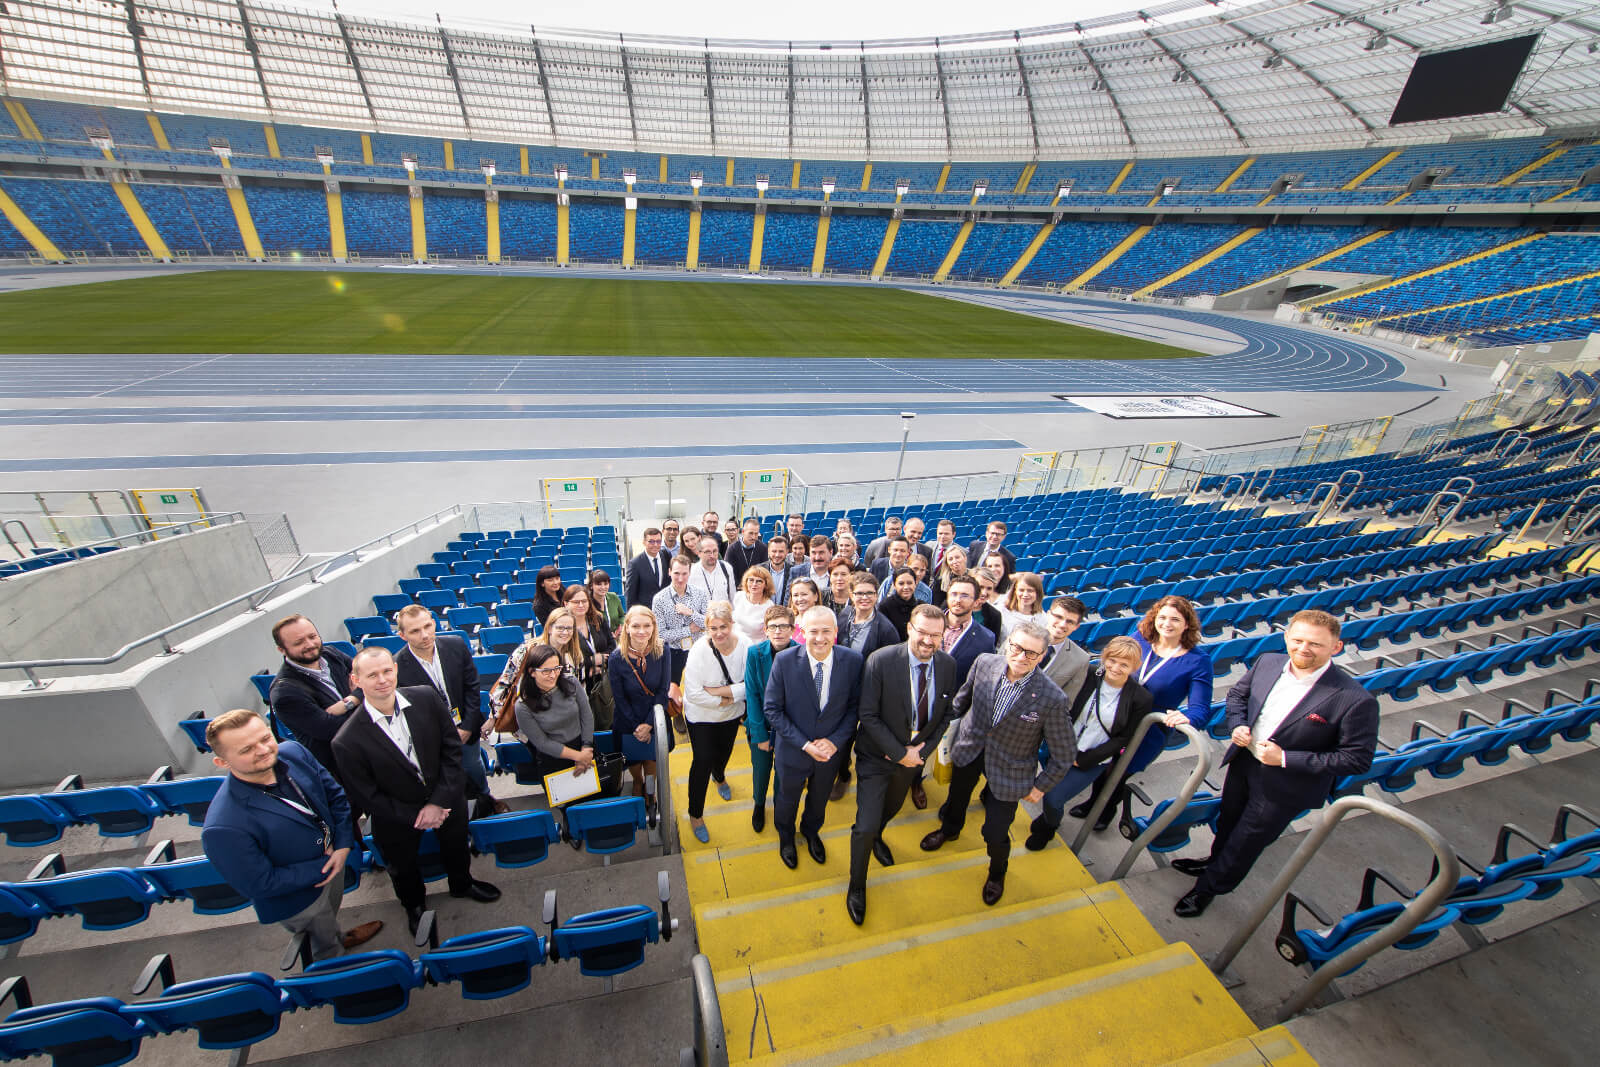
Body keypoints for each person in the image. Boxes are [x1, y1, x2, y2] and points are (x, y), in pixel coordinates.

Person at [1174, 611, 1380, 917]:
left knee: (1246, 842)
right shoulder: (1268, 662)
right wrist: (1238, 725)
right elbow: (1237, 696)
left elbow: (1356, 759)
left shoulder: (1354, 699)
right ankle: (1214, 861)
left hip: (1287, 784)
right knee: (1229, 821)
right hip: (1245, 762)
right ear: (1286, 637)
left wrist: (1283, 758)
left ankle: (1208, 888)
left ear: (1336, 647)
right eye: (1297, 640)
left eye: (1316, 644)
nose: (1303, 648)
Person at [332, 648, 500, 934]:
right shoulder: (346, 740)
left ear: (396, 670)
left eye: (387, 671)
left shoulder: (425, 696)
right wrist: (418, 814)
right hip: (398, 816)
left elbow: (451, 750)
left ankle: (462, 884)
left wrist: (439, 801)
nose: (382, 679)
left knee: (456, 846)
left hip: (446, 798)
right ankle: (414, 904)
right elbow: (367, 795)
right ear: (355, 681)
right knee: (403, 866)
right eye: (372, 675)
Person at [201, 710, 382, 961]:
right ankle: (335, 968)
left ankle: (337, 937)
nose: (264, 750)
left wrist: (342, 845)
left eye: (265, 738)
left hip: (334, 861)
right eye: (246, 749)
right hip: (298, 897)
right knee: (320, 942)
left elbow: (336, 796)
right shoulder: (222, 826)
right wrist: (324, 866)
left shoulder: (294, 752)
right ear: (222, 762)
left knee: (328, 917)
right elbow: (259, 883)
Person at [919, 622, 1075, 906]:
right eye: (1016, 647)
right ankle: (950, 830)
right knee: (956, 798)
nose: (1021, 656)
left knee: (995, 830)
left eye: (1031, 653)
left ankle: (997, 872)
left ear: (1041, 657)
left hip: (1010, 767)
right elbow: (961, 701)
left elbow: (1064, 754)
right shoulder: (984, 663)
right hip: (969, 748)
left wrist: (1041, 787)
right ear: (1007, 644)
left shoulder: (1053, 698)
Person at [846, 605, 957, 925]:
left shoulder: (948, 665)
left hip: (913, 759)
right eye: (922, 632)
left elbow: (945, 714)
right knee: (864, 825)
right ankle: (857, 884)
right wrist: (898, 752)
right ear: (909, 628)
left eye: (936, 635)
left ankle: (880, 836)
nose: (928, 640)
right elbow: (867, 714)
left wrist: (921, 752)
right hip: (876, 757)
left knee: (891, 808)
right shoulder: (880, 661)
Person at [1074, 595, 1214, 833]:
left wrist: (1188, 717)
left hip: (1147, 732)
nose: (1167, 624)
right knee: (1102, 765)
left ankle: (1106, 811)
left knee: (1118, 774)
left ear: (1187, 624)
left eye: (1175, 619)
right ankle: (1092, 803)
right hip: (1115, 720)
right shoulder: (1141, 639)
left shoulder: (1198, 661)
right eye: (1162, 617)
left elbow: (1201, 709)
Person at [1025, 636, 1153, 850]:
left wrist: (1085, 759)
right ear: (1105, 657)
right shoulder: (1089, 674)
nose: (1116, 667)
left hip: (1089, 759)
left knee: (1054, 797)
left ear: (1135, 667)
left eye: (1124, 664)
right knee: (1044, 788)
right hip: (1057, 746)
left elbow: (1123, 738)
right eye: (1112, 660)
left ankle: (1049, 825)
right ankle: (1049, 818)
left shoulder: (1141, 698)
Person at [763, 605, 865, 869]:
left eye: (826, 631)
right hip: (794, 751)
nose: (820, 638)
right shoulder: (784, 662)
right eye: (813, 631)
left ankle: (810, 832)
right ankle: (786, 837)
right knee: (787, 799)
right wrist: (805, 744)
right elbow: (772, 710)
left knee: (819, 799)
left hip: (830, 753)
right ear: (802, 631)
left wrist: (834, 741)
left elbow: (855, 707)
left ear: (836, 632)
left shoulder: (853, 662)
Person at [392, 605, 505, 819]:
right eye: (415, 631)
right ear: (402, 635)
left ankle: (485, 798)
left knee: (473, 766)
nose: (424, 635)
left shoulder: (455, 645)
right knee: (444, 776)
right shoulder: (397, 665)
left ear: (434, 623)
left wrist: (467, 726)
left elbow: (472, 687)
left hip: (465, 727)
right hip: (432, 737)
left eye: (427, 626)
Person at [681, 601, 749, 842]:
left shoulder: (745, 645)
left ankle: (719, 776)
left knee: (724, 753)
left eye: (723, 627)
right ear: (707, 629)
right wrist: (728, 697)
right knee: (702, 761)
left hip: (731, 715)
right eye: (713, 628)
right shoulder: (699, 651)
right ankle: (695, 814)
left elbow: (751, 683)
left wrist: (721, 691)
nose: (719, 633)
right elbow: (694, 693)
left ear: (732, 624)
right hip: (702, 716)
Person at [267, 615, 361, 782]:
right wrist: (364, 699)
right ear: (281, 649)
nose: (310, 645)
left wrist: (349, 702)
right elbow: (332, 729)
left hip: (366, 750)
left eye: (312, 636)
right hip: (342, 769)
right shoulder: (285, 693)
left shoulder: (330, 654)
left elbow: (369, 678)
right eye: (298, 642)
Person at [607, 605, 676, 816]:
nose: (641, 631)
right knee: (635, 759)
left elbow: (663, 690)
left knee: (652, 757)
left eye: (647, 625)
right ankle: (637, 782)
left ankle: (650, 788)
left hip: (654, 715)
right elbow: (619, 697)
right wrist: (638, 726)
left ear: (654, 627)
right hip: (628, 719)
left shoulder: (663, 650)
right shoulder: (616, 657)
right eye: (636, 626)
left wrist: (648, 723)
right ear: (626, 627)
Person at [511, 643, 596, 786]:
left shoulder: (571, 682)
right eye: (546, 671)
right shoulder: (523, 706)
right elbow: (542, 742)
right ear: (532, 672)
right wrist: (579, 757)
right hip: (554, 758)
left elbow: (587, 716)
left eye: (557, 669)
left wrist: (586, 748)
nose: (553, 675)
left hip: (583, 746)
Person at [744, 603, 794, 833]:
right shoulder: (755, 654)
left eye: (783, 626)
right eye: (773, 626)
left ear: (792, 630)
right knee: (761, 770)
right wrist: (760, 735)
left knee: (783, 773)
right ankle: (759, 803)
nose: (778, 631)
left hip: (789, 730)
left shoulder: (800, 653)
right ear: (765, 629)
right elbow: (752, 696)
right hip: (762, 726)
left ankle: (779, 806)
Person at [654, 555, 709, 687]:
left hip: (698, 651)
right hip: (673, 654)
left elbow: (709, 624)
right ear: (669, 572)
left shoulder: (700, 594)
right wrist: (688, 630)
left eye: (684, 574)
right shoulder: (659, 599)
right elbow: (661, 635)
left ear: (689, 572)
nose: (680, 578)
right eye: (676, 573)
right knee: (675, 697)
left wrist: (691, 613)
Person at [942, 575, 997, 690]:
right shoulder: (928, 623)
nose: (957, 600)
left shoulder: (986, 639)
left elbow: (982, 682)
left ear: (976, 602)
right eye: (954, 594)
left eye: (965, 596)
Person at [839, 572, 899, 658]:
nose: (865, 597)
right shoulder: (844, 614)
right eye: (859, 593)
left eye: (870, 593)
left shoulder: (886, 630)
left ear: (876, 596)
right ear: (852, 595)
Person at [1042, 596, 1091, 700]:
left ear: (1076, 627)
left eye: (1070, 622)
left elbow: (1066, 703)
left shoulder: (1081, 660)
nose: (1062, 624)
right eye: (1058, 617)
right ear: (1048, 615)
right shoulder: (1019, 636)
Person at [625, 527, 671, 611]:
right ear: (644, 542)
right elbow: (630, 593)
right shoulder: (635, 564)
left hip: (666, 609)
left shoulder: (666, 555)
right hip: (646, 612)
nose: (655, 545)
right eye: (651, 541)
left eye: (658, 541)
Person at [998, 572, 1048, 641]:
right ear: (1015, 591)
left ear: (1038, 593)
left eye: (1030, 591)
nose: (1025, 594)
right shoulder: (1001, 611)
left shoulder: (1043, 618)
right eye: (1021, 590)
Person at [732, 565, 776, 642]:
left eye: (759, 581)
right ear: (746, 581)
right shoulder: (739, 596)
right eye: (751, 580)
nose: (754, 584)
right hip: (735, 644)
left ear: (766, 585)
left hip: (755, 648)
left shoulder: (769, 606)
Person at [690, 533, 737, 605]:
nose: (712, 555)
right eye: (708, 552)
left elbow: (732, 597)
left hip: (724, 614)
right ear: (699, 553)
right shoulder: (691, 572)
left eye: (715, 551)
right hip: (702, 615)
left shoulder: (726, 567)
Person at [878, 568, 921, 640]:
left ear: (915, 583)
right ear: (894, 585)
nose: (906, 587)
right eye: (901, 583)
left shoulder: (921, 606)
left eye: (910, 583)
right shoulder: (885, 606)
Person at [973, 569, 1005, 643]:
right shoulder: (955, 604)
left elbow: (992, 645)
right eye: (981, 587)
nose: (984, 593)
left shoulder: (995, 615)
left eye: (989, 588)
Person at [787, 577, 820, 643]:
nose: (800, 599)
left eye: (804, 594)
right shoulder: (789, 621)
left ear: (816, 596)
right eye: (795, 595)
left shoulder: (825, 620)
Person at [765, 535, 794, 605]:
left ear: (787, 552)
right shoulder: (759, 570)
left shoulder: (794, 571)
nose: (777, 555)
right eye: (774, 551)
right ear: (768, 551)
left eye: (781, 551)